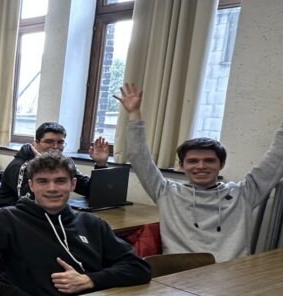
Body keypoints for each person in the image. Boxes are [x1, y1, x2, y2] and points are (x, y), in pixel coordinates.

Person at [115, 83, 283, 262]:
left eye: (209, 161)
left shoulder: (244, 193)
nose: (201, 166)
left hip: (229, 276)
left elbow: (276, 158)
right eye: (193, 161)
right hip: (179, 275)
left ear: (222, 164)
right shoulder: (166, 192)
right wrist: (134, 114)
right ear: (182, 165)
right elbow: (139, 156)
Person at [0, 152, 151, 296]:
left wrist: (90, 280)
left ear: (73, 184)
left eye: (60, 181)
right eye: (43, 181)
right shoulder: (7, 220)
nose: (52, 188)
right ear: (31, 185)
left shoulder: (91, 223)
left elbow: (138, 268)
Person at [0, 122, 109, 206]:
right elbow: (29, 200)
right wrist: (41, 163)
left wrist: (100, 164)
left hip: (49, 216)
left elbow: (89, 191)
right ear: (36, 143)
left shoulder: (63, 163)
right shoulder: (18, 166)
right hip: (16, 219)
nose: (55, 147)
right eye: (49, 142)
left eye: (60, 142)